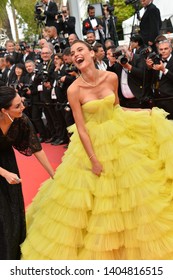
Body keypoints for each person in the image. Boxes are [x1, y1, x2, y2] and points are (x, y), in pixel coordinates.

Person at [21, 40, 173, 260]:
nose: (76, 55)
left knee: (133, 192)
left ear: (91, 53)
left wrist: (144, 114)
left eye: (80, 50)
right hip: (91, 144)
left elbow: (116, 109)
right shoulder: (74, 89)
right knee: (95, 201)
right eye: (73, 53)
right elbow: (81, 129)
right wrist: (93, 159)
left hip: (119, 138)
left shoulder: (111, 78)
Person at [0, 86, 54, 260]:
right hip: (4, 171)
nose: (22, 107)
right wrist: (5, 174)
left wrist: (54, 174)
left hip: (8, 163)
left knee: (14, 210)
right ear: (3, 110)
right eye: (17, 106)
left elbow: (36, 148)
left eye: (21, 102)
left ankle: (11, 257)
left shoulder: (21, 120)